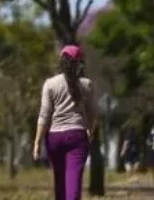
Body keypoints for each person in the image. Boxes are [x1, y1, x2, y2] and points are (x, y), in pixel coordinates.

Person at [33, 45, 98, 200]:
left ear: (61, 62)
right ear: (79, 63)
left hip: (54, 138)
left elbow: (44, 115)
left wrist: (37, 142)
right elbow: (93, 114)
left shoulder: (50, 84)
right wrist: (90, 131)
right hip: (77, 136)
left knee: (60, 181)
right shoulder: (86, 84)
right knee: (73, 180)